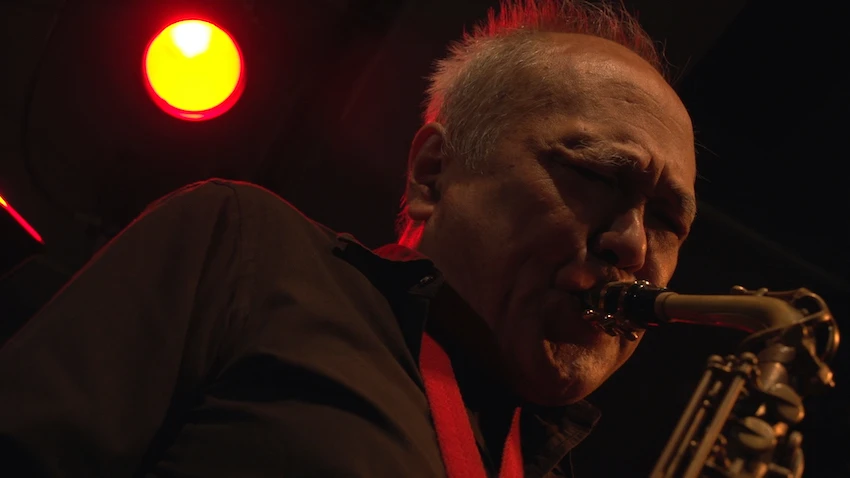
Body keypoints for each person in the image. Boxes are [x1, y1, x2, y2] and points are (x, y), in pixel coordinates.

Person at [0, 0, 697, 476]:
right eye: (595, 175)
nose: (635, 247)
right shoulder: (248, 247)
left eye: (668, 219)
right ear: (433, 173)